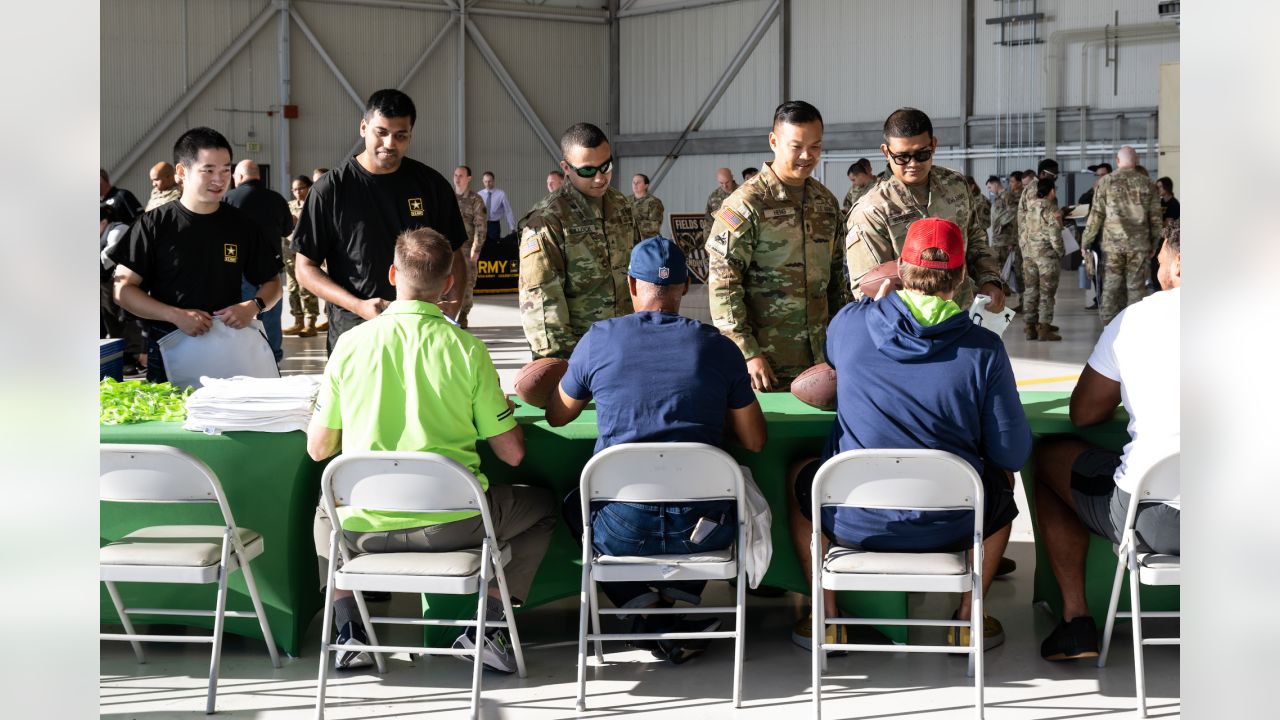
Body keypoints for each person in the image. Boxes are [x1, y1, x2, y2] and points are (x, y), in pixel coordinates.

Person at [307, 227, 556, 673]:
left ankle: (349, 630)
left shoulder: (348, 346)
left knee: (326, 510)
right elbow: (513, 455)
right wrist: (500, 410)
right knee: (543, 507)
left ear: (391, 274)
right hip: (455, 525)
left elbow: (319, 447)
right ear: (447, 285)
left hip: (364, 528)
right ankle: (490, 624)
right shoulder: (468, 349)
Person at [787, 217, 1030, 651]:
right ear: (958, 279)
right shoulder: (984, 349)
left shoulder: (849, 325)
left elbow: (836, 362)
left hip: (853, 520)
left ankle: (826, 617)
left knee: (802, 477)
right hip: (952, 523)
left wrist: (873, 308)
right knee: (1002, 485)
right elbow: (1011, 453)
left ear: (900, 267)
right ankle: (968, 618)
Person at [544, 237, 767, 664]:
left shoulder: (598, 341)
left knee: (576, 505)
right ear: (685, 286)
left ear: (631, 283)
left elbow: (558, 417)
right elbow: (755, 441)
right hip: (704, 529)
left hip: (622, 527)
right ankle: (668, 610)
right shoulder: (719, 347)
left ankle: (646, 612)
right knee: (730, 492)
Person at [1032, 221, 1180, 661]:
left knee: (1050, 460)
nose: (1157, 268)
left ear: (1181, 264)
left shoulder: (1137, 319)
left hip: (1160, 520)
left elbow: (1085, 412)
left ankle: (1077, 621)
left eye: (1162, 260)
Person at [293, 89, 468, 353]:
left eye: (400, 135)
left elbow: (454, 255)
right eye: (381, 132)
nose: (389, 143)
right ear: (364, 127)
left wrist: (452, 307)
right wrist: (357, 305)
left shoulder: (431, 186)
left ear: (410, 135)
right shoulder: (330, 190)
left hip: (421, 334)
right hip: (356, 332)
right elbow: (305, 268)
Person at [106, 127, 283, 383]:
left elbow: (273, 283)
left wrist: (253, 306)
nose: (219, 179)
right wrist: (174, 315)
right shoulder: (154, 225)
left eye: (225, 170)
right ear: (181, 172)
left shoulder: (241, 225)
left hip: (227, 349)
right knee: (170, 420)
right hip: (169, 347)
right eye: (208, 170)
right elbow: (123, 292)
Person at [705, 100, 844, 391]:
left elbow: (835, 282)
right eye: (796, 146)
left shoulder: (826, 203)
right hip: (765, 365)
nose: (807, 156)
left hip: (822, 360)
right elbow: (724, 283)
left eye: (815, 147)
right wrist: (747, 352)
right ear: (774, 141)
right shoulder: (746, 204)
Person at [846, 107, 1005, 311]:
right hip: (910, 328)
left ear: (934, 145)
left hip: (960, 314)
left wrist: (989, 280)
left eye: (922, 154)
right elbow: (868, 287)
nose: (913, 164)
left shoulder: (955, 185)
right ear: (886, 152)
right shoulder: (872, 209)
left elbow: (974, 237)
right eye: (902, 157)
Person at [517, 122, 639, 359]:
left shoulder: (622, 205)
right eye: (587, 170)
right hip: (580, 353)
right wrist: (560, 364)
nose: (599, 178)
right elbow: (541, 301)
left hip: (626, 345)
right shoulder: (548, 220)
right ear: (566, 168)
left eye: (606, 166)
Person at [1080, 146, 1163, 325]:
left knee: (1110, 289)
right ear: (1137, 160)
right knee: (1136, 291)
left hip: (1112, 248)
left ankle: (1109, 329)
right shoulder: (1148, 184)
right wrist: (1154, 245)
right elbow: (1156, 220)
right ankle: (1133, 330)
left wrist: (1085, 242)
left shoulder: (1106, 182)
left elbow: (1096, 216)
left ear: (1117, 161)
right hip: (1139, 247)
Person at [224, 159, 291, 363]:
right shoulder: (277, 199)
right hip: (271, 269)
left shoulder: (228, 199)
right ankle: (272, 357)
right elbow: (288, 230)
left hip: (239, 268)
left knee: (241, 315)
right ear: (258, 176)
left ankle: (244, 359)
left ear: (240, 177)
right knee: (270, 313)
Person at [1020, 178, 1065, 342]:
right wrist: (1061, 251)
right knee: (1047, 294)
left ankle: (1029, 328)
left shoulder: (1030, 208)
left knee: (1031, 291)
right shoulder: (1051, 209)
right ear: (1051, 191)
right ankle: (1044, 328)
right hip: (1046, 257)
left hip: (1029, 256)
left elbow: (1024, 233)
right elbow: (1055, 236)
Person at [282, 175, 321, 337]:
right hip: (289, 252)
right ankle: (297, 321)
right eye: (295, 189)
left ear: (309, 187)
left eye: (301, 188)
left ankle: (310, 323)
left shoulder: (314, 205)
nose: (298, 192)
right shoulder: (289, 206)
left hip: (306, 253)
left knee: (307, 288)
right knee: (292, 288)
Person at [453, 165, 489, 328]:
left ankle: (463, 314)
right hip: (449, 249)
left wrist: (476, 248)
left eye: (461, 175)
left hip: (467, 250)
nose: (457, 178)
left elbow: (481, 226)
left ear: (469, 179)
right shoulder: (449, 197)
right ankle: (448, 313)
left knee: (467, 282)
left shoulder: (475, 200)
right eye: (456, 175)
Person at [479, 171, 516, 246]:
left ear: (493, 181)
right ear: (483, 181)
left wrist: (512, 228)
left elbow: (508, 211)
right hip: (481, 224)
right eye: (485, 181)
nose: (488, 184)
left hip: (494, 225)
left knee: (494, 247)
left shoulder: (501, 194)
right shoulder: (479, 194)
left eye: (490, 181)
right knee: (482, 247)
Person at [703, 168, 737, 235]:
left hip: (739, 238)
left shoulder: (742, 193)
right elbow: (708, 221)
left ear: (732, 177)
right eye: (721, 183)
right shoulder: (713, 196)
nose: (725, 186)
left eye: (727, 182)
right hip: (720, 237)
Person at [630, 173, 665, 238]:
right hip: (629, 241)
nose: (635, 184)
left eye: (638, 182)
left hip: (647, 241)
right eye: (633, 182)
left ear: (646, 185)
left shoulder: (654, 202)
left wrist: (632, 225)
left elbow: (654, 225)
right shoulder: (625, 201)